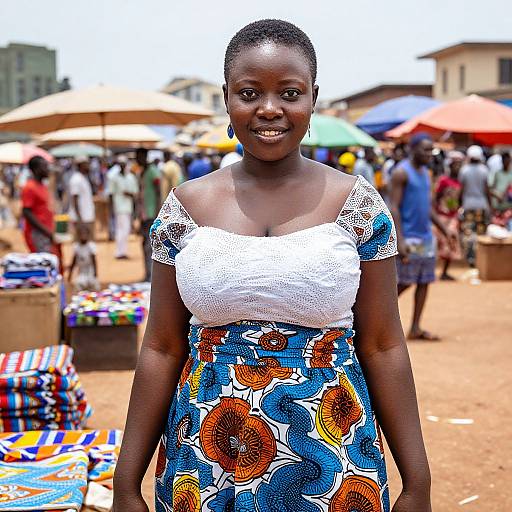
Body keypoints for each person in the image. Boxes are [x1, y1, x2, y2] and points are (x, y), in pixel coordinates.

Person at [114, 19, 431, 512]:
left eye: (289, 92)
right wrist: (125, 484)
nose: (269, 109)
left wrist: (418, 483)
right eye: (249, 92)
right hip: (203, 461)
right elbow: (161, 347)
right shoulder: (184, 209)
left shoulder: (358, 206)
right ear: (226, 97)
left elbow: (383, 344)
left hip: (333, 455)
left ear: (313, 97)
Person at [390, 133, 455, 341]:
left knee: (424, 281)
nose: (429, 154)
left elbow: (427, 207)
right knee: (404, 282)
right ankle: (376, 325)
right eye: (425, 150)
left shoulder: (426, 173)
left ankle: (416, 327)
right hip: (409, 237)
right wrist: (400, 240)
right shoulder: (401, 173)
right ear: (413, 149)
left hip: (426, 237)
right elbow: (394, 207)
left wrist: (444, 229)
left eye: (431, 150)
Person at [459, 145, 492, 267]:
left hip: (468, 205)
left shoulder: (464, 170)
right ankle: (480, 258)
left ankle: (471, 258)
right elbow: (487, 190)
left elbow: (461, 190)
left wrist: (459, 204)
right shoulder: (484, 170)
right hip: (482, 206)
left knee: (468, 232)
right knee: (480, 232)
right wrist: (490, 206)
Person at [434, 151, 464, 280]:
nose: (457, 168)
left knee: (450, 240)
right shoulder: (444, 181)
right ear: (450, 166)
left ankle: (444, 271)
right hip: (441, 215)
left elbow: (460, 199)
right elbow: (436, 197)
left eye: (459, 165)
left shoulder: (459, 182)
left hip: (452, 216)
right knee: (438, 242)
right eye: (455, 165)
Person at [135, 148, 161, 282]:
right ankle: (147, 274)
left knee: (150, 246)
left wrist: (158, 213)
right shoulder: (142, 172)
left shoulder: (152, 171)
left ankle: (151, 276)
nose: (137, 159)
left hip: (152, 214)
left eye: (139, 156)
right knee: (145, 244)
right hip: (144, 214)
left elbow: (158, 192)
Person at [21, 156, 55, 253]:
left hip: (46, 231)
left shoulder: (43, 186)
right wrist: (46, 231)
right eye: (44, 166)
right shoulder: (29, 187)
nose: (47, 169)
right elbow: (27, 212)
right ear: (36, 169)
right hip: (37, 233)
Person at [108, 156, 138, 259]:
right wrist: (111, 208)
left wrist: (129, 194)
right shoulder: (114, 178)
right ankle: (120, 252)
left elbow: (135, 193)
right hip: (119, 207)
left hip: (128, 207)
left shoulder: (131, 177)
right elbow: (111, 194)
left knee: (125, 229)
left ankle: (122, 251)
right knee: (121, 230)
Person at [68, 155, 96, 239]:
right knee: (80, 246)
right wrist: (80, 220)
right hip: (82, 219)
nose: (89, 166)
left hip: (87, 217)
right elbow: (74, 200)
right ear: (81, 165)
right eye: (86, 164)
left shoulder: (84, 178)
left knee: (89, 245)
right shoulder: (76, 179)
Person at [68, 224, 99, 292]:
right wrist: (69, 275)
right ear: (78, 235)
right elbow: (73, 262)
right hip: (82, 272)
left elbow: (94, 261)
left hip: (90, 271)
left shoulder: (91, 246)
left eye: (85, 234)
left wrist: (95, 274)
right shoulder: (76, 247)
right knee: (78, 284)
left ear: (88, 235)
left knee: (94, 285)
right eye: (81, 234)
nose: (83, 236)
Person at [489, 151, 512, 216]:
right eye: (505, 160)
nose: (507, 163)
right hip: (497, 207)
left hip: (509, 208)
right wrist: (497, 195)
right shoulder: (497, 173)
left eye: (508, 161)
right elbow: (490, 189)